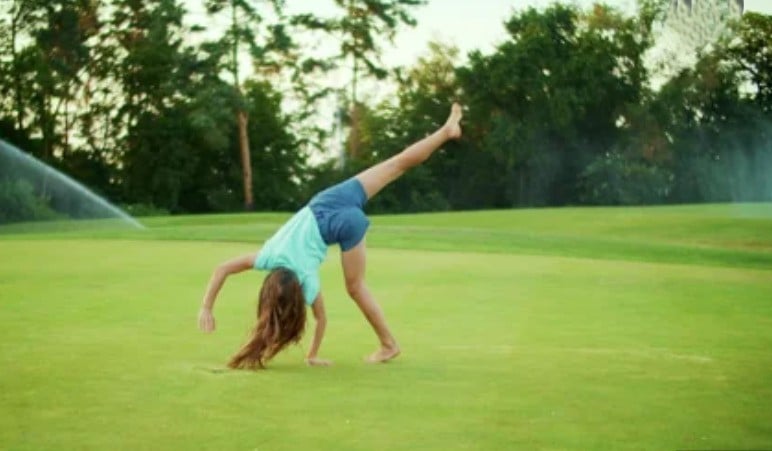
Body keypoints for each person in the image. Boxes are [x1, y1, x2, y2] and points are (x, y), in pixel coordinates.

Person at [198, 103, 463, 369]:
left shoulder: (308, 282)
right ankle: (445, 131)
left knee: (356, 287)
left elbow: (322, 319)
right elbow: (223, 269)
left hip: (342, 223)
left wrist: (311, 354)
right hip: (327, 201)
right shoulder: (267, 256)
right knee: (396, 164)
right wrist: (205, 306)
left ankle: (389, 344)